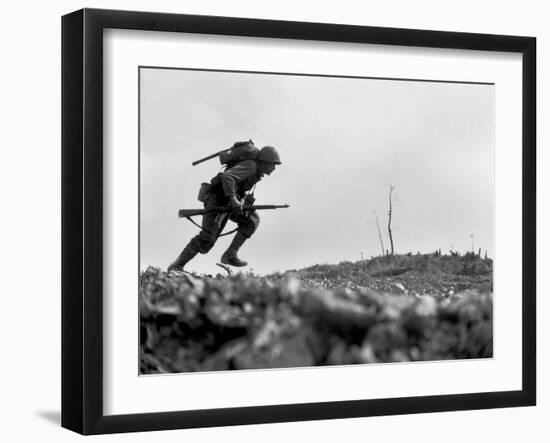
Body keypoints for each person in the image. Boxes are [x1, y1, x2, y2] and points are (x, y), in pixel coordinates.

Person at [167, 145, 281, 272]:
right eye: (273, 164)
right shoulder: (251, 166)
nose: (274, 168)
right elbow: (227, 177)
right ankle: (177, 265)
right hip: (217, 199)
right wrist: (233, 199)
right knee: (207, 238)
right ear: (265, 161)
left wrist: (241, 200)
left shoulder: (256, 172)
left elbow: (238, 185)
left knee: (252, 220)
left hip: (228, 202)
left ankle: (230, 254)